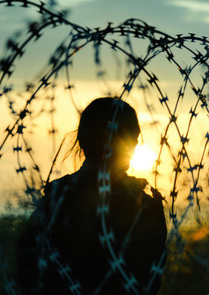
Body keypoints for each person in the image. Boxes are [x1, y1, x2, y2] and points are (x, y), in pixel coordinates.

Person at [17, 97, 167, 294]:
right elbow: (150, 279)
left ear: (82, 139)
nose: (137, 144)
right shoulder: (144, 207)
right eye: (133, 137)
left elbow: (29, 270)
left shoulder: (54, 201)